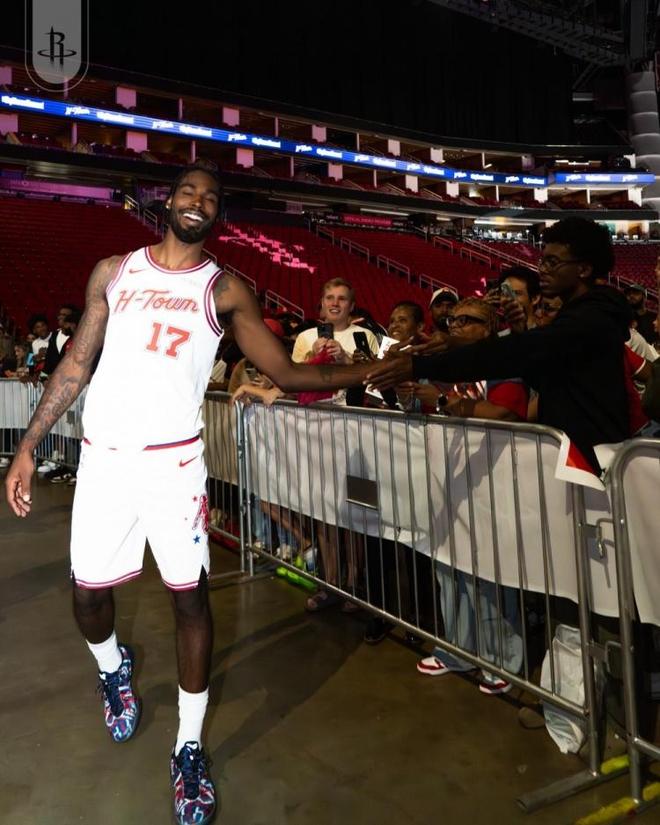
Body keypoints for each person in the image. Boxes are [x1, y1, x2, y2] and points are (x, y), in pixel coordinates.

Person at [4, 164, 383, 825]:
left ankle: (187, 746)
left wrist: (384, 366)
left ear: (217, 214)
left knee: (190, 602)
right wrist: (29, 444)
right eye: (188, 191)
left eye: (210, 197)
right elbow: (76, 363)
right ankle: (112, 667)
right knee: (88, 596)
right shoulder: (114, 271)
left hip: (174, 467)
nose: (197, 202)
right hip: (105, 462)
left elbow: (287, 371)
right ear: (167, 200)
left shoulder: (225, 289)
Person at [366, 217, 632, 474]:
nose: (542, 269)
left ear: (583, 269)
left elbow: (506, 356)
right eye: (542, 261)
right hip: (580, 457)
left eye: (553, 262)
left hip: (593, 460)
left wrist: (419, 365)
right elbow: (547, 378)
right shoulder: (583, 314)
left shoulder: (590, 318)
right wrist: (518, 334)